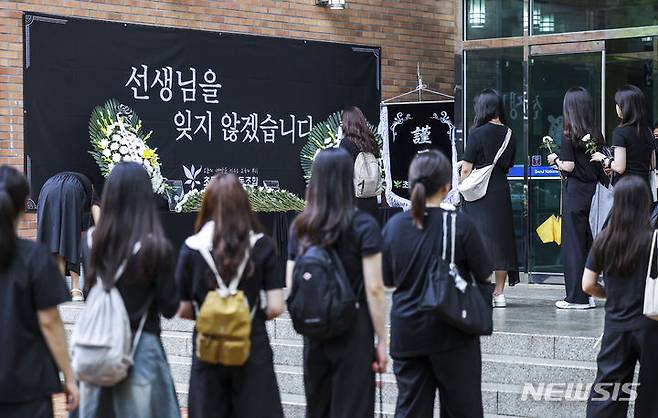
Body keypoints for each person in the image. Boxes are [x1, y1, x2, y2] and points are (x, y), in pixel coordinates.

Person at [383, 150, 492, 418]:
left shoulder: (395, 226)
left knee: (410, 410)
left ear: (411, 185)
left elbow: (386, 279)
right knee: (461, 410)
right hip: (454, 332)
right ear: (447, 187)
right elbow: (485, 275)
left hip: (407, 331)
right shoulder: (461, 225)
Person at [286, 148, 388, 418]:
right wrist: (382, 340)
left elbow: (292, 284)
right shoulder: (364, 225)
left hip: (315, 330)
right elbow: (375, 288)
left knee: (318, 407)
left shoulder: (300, 227)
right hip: (355, 330)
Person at [176, 174, 285, 418]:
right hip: (251, 345)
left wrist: (211, 314)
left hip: (207, 348)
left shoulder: (191, 248)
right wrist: (249, 316)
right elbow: (277, 306)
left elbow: (182, 309)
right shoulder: (262, 246)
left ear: (207, 204)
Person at [77, 163, 180, 418]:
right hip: (142, 347)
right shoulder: (156, 247)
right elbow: (169, 307)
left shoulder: (90, 241)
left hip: (99, 346)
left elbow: (91, 289)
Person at [0, 165, 79, 417]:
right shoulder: (35, 257)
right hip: (28, 384)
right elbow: (49, 321)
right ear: (25, 205)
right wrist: (68, 375)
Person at [582, 175, 658, 417]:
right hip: (650, 325)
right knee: (653, 391)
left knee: (608, 391)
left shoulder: (604, 240)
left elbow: (587, 285)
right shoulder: (653, 240)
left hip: (615, 324)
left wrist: (610, 295)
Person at [461, 88, 517, 308]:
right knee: (500, 240)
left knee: (480, 240)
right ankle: (500, 294)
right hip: (500, 189)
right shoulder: (510, 133)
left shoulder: (476, 133)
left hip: (478, 194)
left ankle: (483, 289)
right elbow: (509, 164)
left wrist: (461, 185)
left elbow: (467, 168)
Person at [547, 87, 602, 309]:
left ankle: (576, 298)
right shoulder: (596, 133)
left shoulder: (569, 134)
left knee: (573, 246)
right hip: (593, 193)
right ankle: (590, 293)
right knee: (588, 244)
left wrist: (555, 160)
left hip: (576, 194)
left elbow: (568, 166)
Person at [37, 171, 100, 301]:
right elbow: (99, 220)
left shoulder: (58, 179)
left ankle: (58, 288)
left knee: (55, 238)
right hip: (72, 188)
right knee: (71, 235)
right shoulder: (90, 188)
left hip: (47, 188)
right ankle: (75, 289)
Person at [591, 85, 655, 189]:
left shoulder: (620, 132)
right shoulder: (647, 131)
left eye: (618, 104)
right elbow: (650, 163)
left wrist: (603, 158)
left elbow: (620, 167)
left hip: (626, 190)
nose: (616, 107)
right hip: (645, 189)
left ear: (624, 107)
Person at [339, 105, 381, 219]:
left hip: (353, 199)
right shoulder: (371, 141)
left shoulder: (346, 143)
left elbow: (343, 172)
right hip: (371, 198)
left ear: (347, 122)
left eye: (342, 120)